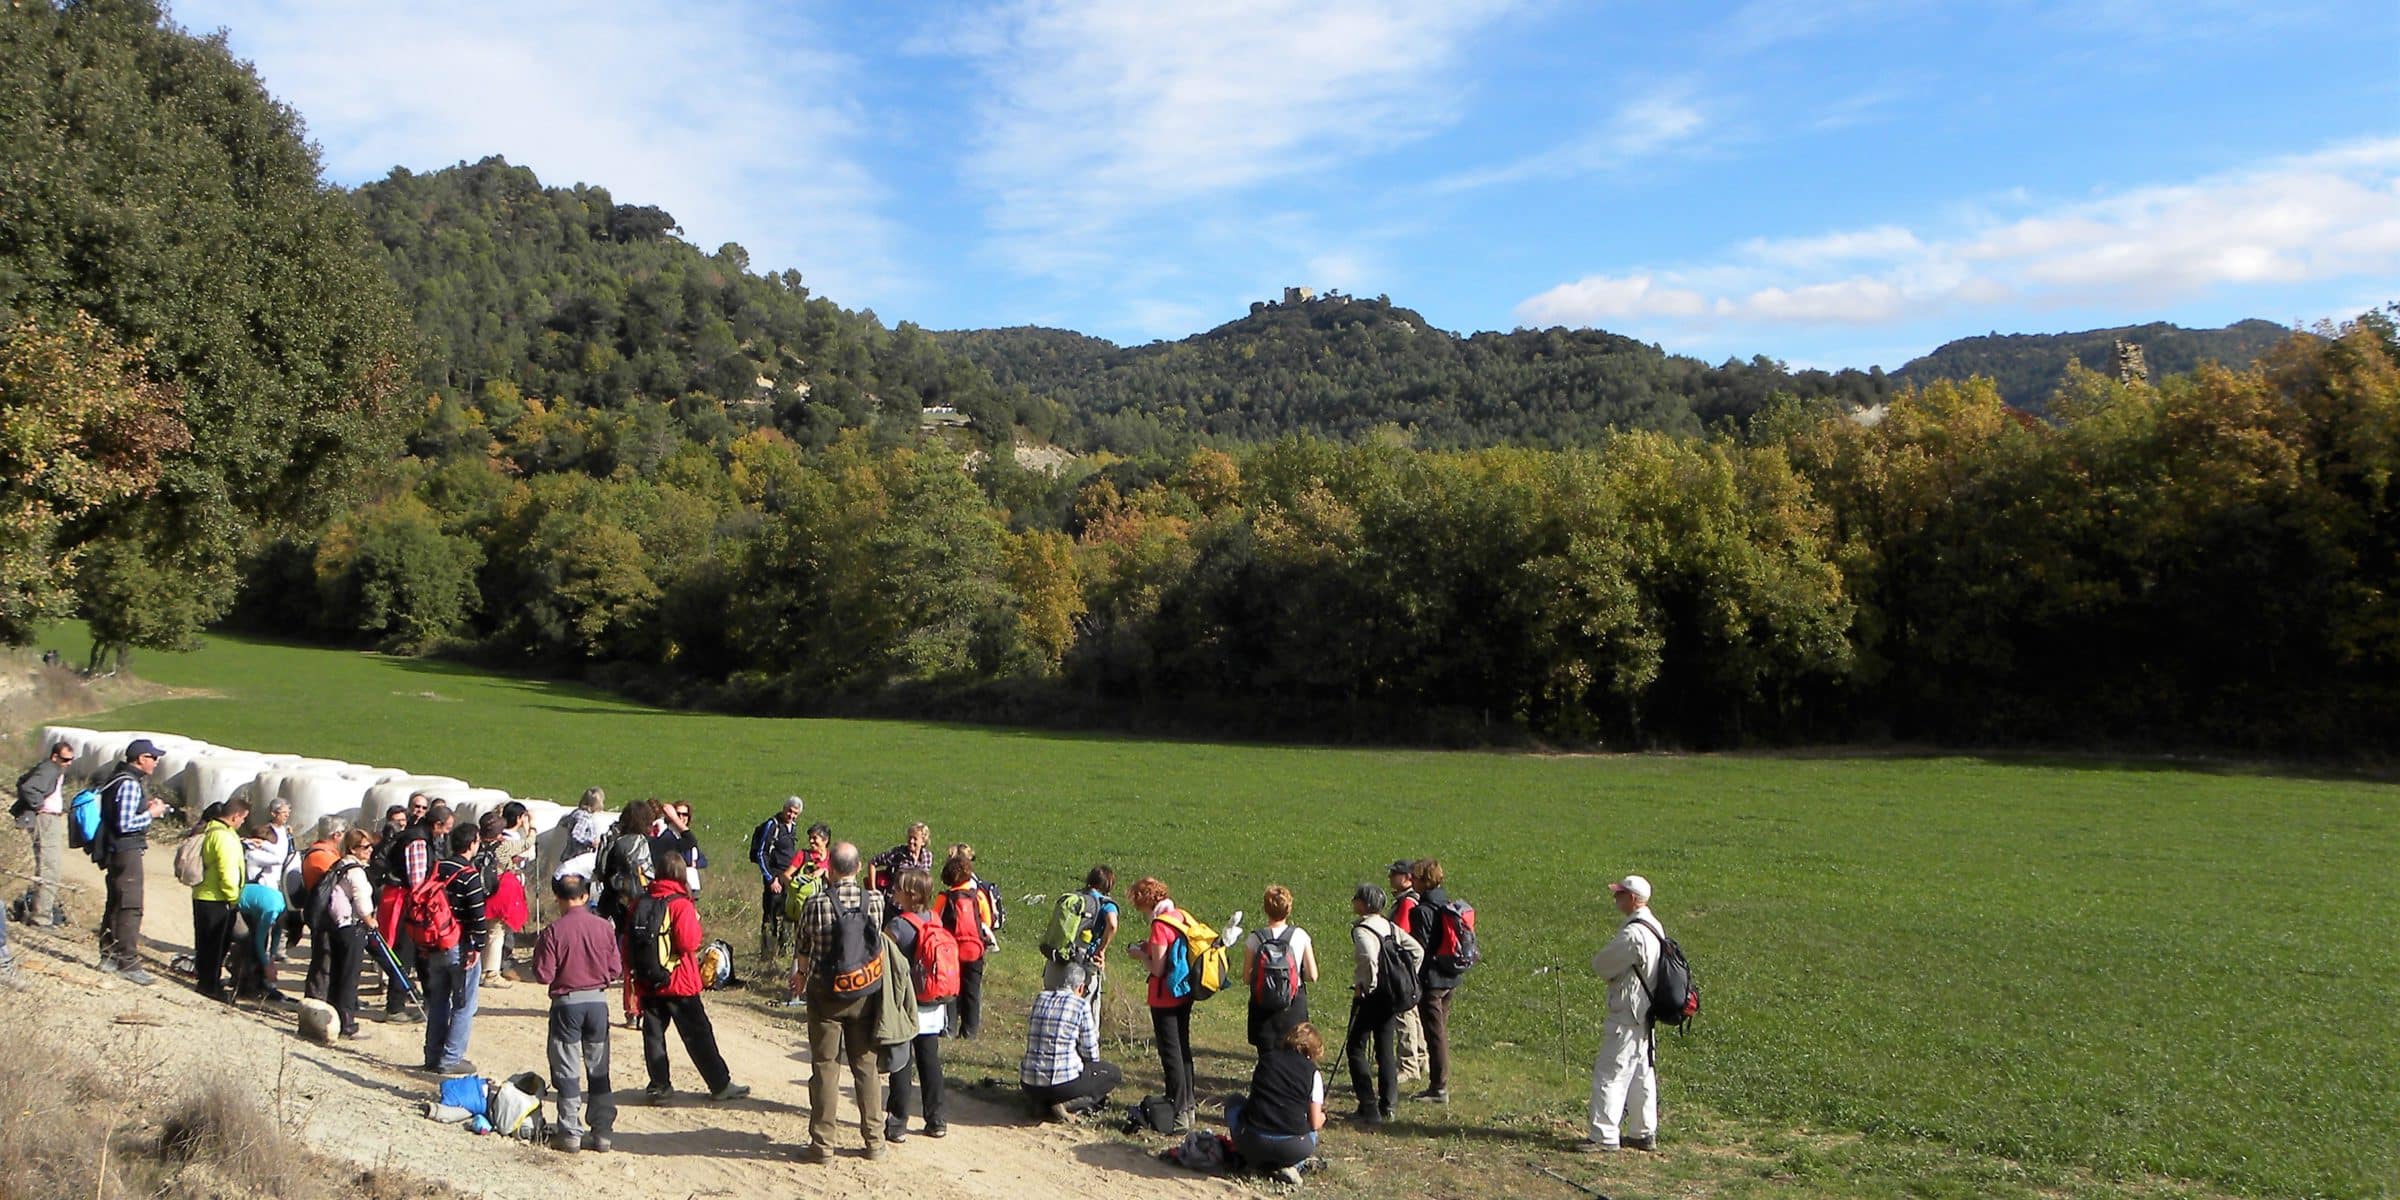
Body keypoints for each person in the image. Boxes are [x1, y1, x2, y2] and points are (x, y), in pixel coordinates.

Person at [792, 841, 886, 1163]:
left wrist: (801, 976)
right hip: (864, 992)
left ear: (829, 869)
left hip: (826, 994)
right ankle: (875, 1142)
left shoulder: (816, 903)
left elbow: (803, 946)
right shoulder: (875, 901)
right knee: (866, 1068)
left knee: (825, 1068)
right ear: (859, 868)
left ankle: (823, 1146)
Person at [631, 849, 748, 1106]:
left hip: (649, 980)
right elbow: (689, 942)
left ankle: (659, 1085)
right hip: (679, 982)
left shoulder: (641, 901)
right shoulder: (681, 903)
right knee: (698, 1034)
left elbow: (629, 942)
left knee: (653, 1035)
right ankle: (719, 1084)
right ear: (682, 874)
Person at [533, 872, 622, 1153]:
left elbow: (544, 975)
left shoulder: (553, 932)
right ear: (585, 896)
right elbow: (615, 969)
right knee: (599, 1070)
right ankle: (603, 1133)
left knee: (568, 1070)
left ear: (558, 898)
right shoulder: (604, 928)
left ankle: (570, 1131)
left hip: (566, 1006)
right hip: (597, 1004)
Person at [1578, 874, 1664, 1153]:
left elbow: (1602, 964)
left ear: (1633, 899)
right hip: (1645, 1013)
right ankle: (1642, 1131)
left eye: (1620, 894)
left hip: (1627, 1012)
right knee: (1641, 1073)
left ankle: (1603, 1135)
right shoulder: (1654, 926)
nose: (1616, 897)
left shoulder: (1633, 934)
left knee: (1610, 1073)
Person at [1344, 882, 1421, 1127]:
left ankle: (1367, 1105)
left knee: (1355, 1046)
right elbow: (1416, 950)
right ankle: (1388, 1105)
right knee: (1385, 1049)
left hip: (1371, 996)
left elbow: (1367, 957)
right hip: (1391, 996)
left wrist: (1367, 985)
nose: (1353, 900)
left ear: (1364, 904)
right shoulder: (1388, 925)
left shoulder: (1362, 929)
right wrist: (1407, 976)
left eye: (1356, 898)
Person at [883, 868, 950, 1141]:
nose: (894, 891)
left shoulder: (898, 926)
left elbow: (881, 959)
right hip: (934, 1004)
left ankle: (897, 1123)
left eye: (898, 888)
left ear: (910, 894)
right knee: (929, 1062)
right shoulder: (935, 919)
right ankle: (936, 1120)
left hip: (906, 1004)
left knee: (901, 1063)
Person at [1126, 875, 1196, 1129]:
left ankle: (1177, 1112)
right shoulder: (1179, 916)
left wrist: (1139, 955)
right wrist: (1150, 948)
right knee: (1184, 1050)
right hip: (1184, 991)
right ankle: (1189, 1106)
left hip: (1164, 997)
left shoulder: (1158, 925)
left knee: (1171, 1054)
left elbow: (1157, 968)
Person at [95, 739, 165, 984]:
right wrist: (151, 814)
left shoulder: (119, 778)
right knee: (130, 906)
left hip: (116, 850)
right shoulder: (129, 783)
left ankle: (109, 955)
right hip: (126, 850)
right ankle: (128, 962)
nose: (156, 762)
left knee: (116, 901)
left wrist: (143, 807)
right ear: (141, 758)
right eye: (153, 758)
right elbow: (125, 824)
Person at [1227, 1021, 1329, 1183]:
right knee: (1311, 1128)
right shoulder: (1312, 1073)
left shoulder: (1266, 1060)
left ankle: (1254, 1160)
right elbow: (1315, 1122)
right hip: (1292, 1146)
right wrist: (1323, 1117)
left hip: (1253, 1139)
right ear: (1312, 1052)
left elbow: (1254, 1097)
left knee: (1234, 1101)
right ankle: (1293, 1164)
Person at [422, 822, 487, 1075]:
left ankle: (432, 1054)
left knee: (438, 1001)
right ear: (472, 844)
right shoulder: (469, 875)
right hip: (459, 945)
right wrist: (478, 945)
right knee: (464, 1004)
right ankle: (451, 1059)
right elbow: (477, 915)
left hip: (435, 942)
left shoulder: (436, 868)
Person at [1020, 964, 1122, 1121]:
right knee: (1112, 1074)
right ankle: (1066, 1104)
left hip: (1028, 1083)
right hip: (1061, 1085)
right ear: (1080, 987)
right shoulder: (1081, 1005)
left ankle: (1040, 1102)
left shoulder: (1041, 998)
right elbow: (1091, 1053)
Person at [1238, 884, 1318, 1052]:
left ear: (1265, 909)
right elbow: (1313, 975)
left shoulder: (1255, 938)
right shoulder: (1300, 936)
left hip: (1263, 1007)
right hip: (1293, 1005)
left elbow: (1246, 978)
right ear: (1289, 909)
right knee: (1293, 1054)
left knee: (1266, 1058)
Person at [1407, 857, 1460, 1104]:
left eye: (1414, 878)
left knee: (1434, 1034)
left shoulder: (1421, 911)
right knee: (1440, 1030)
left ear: (1422, 880)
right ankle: (1438, 1082)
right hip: (1450, 975)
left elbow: (1419, 950)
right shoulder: (1447, 904)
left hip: (1432, 979)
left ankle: (1438, 1088)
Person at [318, 829, 377, 1040]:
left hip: (336, 926)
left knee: (337, 974)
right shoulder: (356, 872)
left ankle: (334, 1019)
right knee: (349, 977)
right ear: (353, 848)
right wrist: (371, 921)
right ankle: (347, 1024)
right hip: (352, 927)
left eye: (370, 846)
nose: (370, 850)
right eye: (365, 847)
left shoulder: (339, 865)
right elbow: (362, 901)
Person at [1042, 865, 1119, 1019]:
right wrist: (1101, 949)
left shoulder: (1075, 898)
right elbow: (1112, 924)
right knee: (1085, 1011)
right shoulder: (1105, 903)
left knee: (1053, 1007)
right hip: (1082, 963)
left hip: (1057, 956)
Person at [193, 794, 249, 1002]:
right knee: (214, 945)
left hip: (207, 895)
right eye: (243, 818)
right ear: (235, 816)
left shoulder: (216, 830)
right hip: (216, 897)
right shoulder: (223, 836)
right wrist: (232, 896)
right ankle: (209, 985)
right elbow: (227, 870)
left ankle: (207, 981)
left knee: (208, 942)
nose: (243, 822)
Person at [933, 854, 995, 1039]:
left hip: (951, 952)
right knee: (972, 991)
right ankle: (970, 1031)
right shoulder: (978, 896)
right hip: (975, 951)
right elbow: (988, 921)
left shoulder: (944, 898)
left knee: (951, 989)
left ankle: (949, 1028)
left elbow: (935, 920)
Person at [13, 740, 74, 927]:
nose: (68, 763)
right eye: (64, 759)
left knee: (49, 866)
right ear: (54, 756)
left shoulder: (51, 768)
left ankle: (40, 912)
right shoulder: (50, 768)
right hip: (46, 819)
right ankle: (41, 918)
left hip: (48, 818)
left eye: (71, 760)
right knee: (49, 868)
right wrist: (40, 806)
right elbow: (27, 787)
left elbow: (23, 780)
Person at [241, 797, 296, 991]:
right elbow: (279, 858)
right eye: (283, 813)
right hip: (260, 891)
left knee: (273, 932)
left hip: (275, 890)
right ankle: (253, 975)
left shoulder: (284, 834)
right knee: (257, 936)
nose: (286, 816)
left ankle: (270, 960)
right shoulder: (255, 852)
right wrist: (255, 843)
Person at [298, 816, 350, 1001]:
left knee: (326, 959)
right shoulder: (323, 857)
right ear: (336, 835)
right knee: (324, 960)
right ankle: (317, 999)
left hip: (322, 913)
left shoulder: (319, 853)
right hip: (324, 915)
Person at [1386, 859, 1429, 1084]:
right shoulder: (1415, 899)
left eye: (1395, 874)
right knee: (1414, 1013)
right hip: (1416, 968)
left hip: (1405, 968)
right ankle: (1422, 1058)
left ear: (1407, 878)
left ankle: (1408, 1065)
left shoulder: (1405, 904)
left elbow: (1400, 937)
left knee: (1404, 1015)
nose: (1390, 877)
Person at [752, 797, 804, 955]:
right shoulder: (772, 825)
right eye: (789, 811)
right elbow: (761, 853)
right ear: (784, 808)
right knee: (770, 916)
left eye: (795, 813)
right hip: (774, 877)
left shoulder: (792, 827)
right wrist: (770, 879)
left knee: (787, 915)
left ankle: (783, 951)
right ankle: (766, 954)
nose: (791, 815)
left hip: (788, 877)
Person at [870, 822, 930, 902]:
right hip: (896, 905)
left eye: (915, 838)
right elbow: (873, 862)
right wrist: (873, 890)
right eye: (910, 837)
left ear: (923, 842)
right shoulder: (898, 853)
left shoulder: (927, 856)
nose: (911, 841)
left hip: (916, 904)